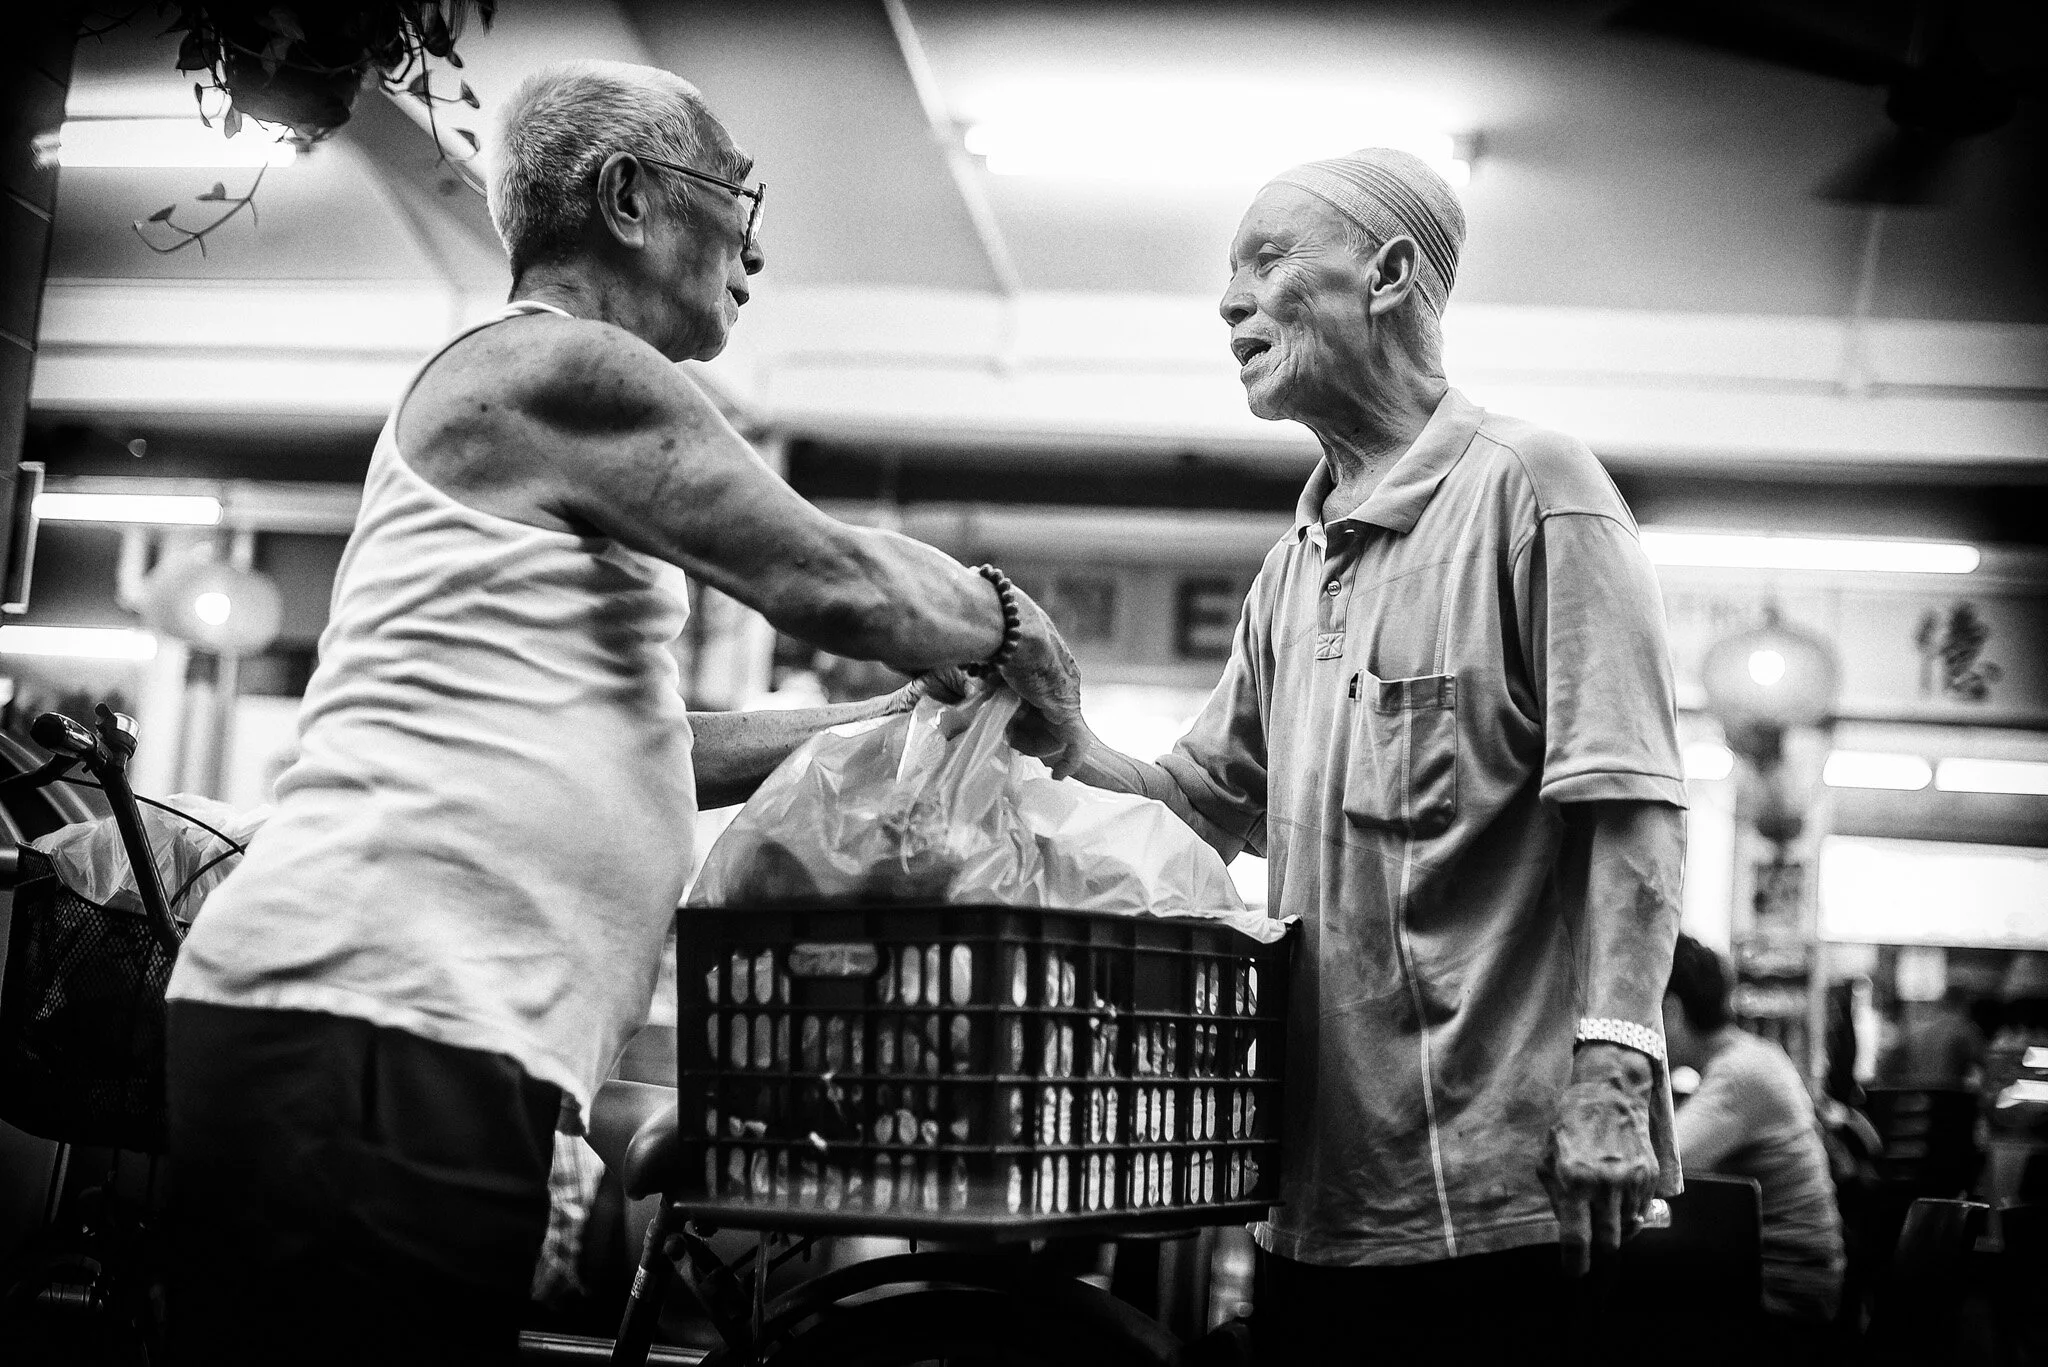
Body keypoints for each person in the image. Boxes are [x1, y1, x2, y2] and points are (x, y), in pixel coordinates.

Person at [161, 60, 1086, 1365]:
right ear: (632, 197)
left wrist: (881, 724)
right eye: (738, 197)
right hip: (370, 1016)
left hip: (409, 1024)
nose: (756, 247)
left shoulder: (551, 411)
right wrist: (1005, 622)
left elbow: (644, 743)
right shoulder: (564, 366)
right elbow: (831, 576)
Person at [1061, 147, 1687, 1361]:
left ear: (1389, 273)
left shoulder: (1533, 489)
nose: (1230, 300)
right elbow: (1192, 808)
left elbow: (1633, 806)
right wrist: (1057, 725)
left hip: (1507, 1206)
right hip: (1316, 1201)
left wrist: (1617, 1064)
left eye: (1265, 259)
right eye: (1227, 275)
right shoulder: (1291, 566)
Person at [1664, 934, 1846, 1359]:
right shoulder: (1753, 1057)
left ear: (1669, 1012)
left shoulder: (1741, 1073)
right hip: (1792, 1288)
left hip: (1786, 1306)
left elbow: (1660, 1169)